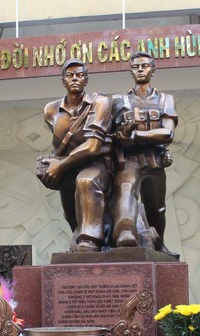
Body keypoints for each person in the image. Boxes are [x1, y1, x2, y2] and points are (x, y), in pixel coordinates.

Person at [39, 58, 113, 252]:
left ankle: (91, 241)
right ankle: (81, 240)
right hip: (68, 169)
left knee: (86, 181)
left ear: (86, 80)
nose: (74, 79)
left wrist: (60, 165)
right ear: (63, 80)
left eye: (79, 75)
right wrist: (51, 162)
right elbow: (60, 146)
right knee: (72, 216)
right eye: (70, 75)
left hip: (97, 165)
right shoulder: (50, 110)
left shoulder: (100, 103)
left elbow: (92, 146)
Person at [110, 52, 178, 254]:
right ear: (131, 71)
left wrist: (135, 135)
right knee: (126, 194)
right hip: (129, 160)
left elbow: (167, 133)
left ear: (153, 70)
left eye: (145, 66)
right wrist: (123, 136)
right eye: (136, 66)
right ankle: (125, 234)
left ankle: (159, 244)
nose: (140, 69)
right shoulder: (119, 101)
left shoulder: (166, 99)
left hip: (154, 160)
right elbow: (114, 134)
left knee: (157, 208)